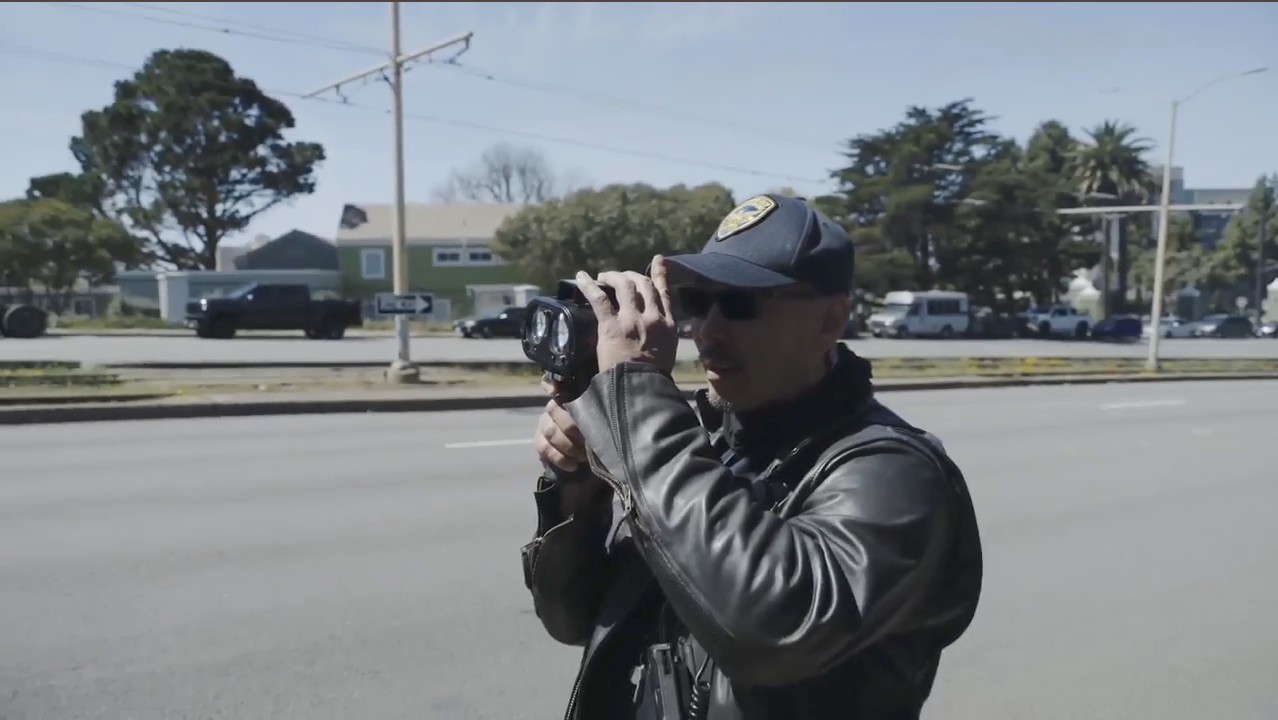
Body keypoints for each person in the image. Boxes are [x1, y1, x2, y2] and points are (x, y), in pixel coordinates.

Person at [520, 193, 983, 720]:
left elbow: (774, 630)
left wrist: (639, 402)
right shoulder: (696, 447)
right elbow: (572, 617)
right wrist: (580, 489)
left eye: (741, 304)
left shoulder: (895, 472)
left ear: (829, 321)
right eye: (697, 303)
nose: (708, 332)